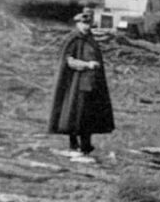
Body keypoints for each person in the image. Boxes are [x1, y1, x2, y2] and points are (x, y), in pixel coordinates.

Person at [48, 8, 114, 162]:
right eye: (83, 23)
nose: (86, 26)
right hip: (75, 84)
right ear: (77, 23)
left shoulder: (90, 39)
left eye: (88, 23)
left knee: (88, 116)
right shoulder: (73, 39)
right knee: (74, 115)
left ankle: (86, 146)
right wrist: (87, 64)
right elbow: (69, 61)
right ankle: (73, 146)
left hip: (91, 84)